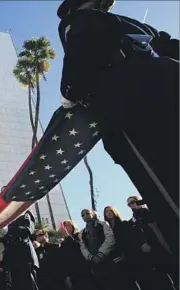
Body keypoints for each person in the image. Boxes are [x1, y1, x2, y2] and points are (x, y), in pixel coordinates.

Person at [57, 0, 179, 266]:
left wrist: (69, 92)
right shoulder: (138, 25)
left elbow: (77, 69)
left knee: (168, 193)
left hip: (136, 110)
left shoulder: (80, 21)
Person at [78, 209, 142, 290]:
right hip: (97, 266)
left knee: (125, 288)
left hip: (111, 261)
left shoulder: (103, 224)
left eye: (87, 213)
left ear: (92, 214)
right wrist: (91, 257)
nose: (85, 216)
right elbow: (83, 247)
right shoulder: (82, 233)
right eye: (83, 215)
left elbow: (110, 238)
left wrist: (100, 254)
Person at [124, 197, 178, 290]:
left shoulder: (149, 211)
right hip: (151, 253)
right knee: (164, 279)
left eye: (133, 202)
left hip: (164, 245)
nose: (131, 205)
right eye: (129, 204)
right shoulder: (133, 221)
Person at [0, 210, 39, 290]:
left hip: (25, 258)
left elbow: (27, 230)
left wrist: (8, 230)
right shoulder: (7, 217)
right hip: (11, 259)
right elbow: (6, 239)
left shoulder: (25, 214)